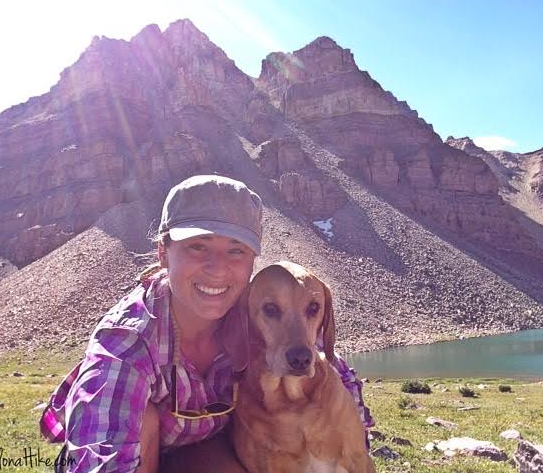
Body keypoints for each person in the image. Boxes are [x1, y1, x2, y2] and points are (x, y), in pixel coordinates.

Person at [40, 174, 374, 472]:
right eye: (198, 247)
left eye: (235, 250)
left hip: (203, 454)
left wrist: (352, 436)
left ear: (252, 261)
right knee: (143, 420)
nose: (217, 269)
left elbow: (323, 361)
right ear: (163, 253)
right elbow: (100, 455)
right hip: (132, 458)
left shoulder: (250, 314)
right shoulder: (127, 341)